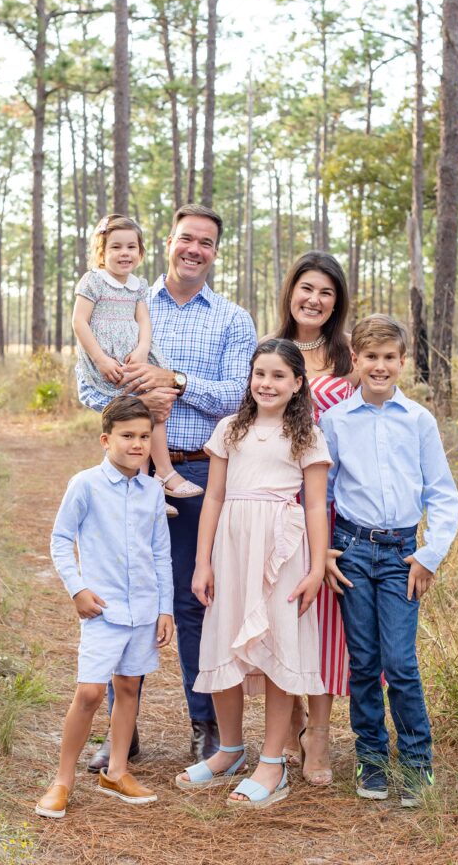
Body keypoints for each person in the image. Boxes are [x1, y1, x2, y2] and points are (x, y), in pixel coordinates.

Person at [87, 204, 257, 772]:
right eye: (186, 238)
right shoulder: (126, 300)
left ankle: (206, 727)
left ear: (215, 251)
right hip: (129, 471)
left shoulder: (233, 319)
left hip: (204, 474)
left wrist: (175, 382)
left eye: (205, 242)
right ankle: (120, 734)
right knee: (121, 597)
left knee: (192, 601)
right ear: (167, 242)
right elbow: (91, 385)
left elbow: (240, 396)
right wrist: (137, 401)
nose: (194, 249)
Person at [175, 339, 331, 808]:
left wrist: (318, 567)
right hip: (232, 544)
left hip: (282, 548)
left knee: (278, 643)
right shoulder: (229, 429)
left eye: (279, 375)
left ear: (298, 384)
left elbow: (317, 505)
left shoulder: (306, 435)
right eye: (260, 373)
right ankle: (229, 749)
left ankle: (272, 763)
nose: (267, 383)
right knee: (223, 639)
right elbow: (215, 498)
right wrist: (203, 562)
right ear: (250, 377)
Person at [321, 315, 458, 807]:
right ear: (354, 361)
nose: (380, 367)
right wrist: (324, 549)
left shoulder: (418, 420)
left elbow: (443, 494)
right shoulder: (335, 421)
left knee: (400, 663)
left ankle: (418, 763)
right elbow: (323, 491)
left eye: (389, 358)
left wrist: (429, 555)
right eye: (370, 358)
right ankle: (372, 758)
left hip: (404, 555)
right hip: (354, 552)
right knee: (363, 663)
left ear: (402, 362)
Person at [35, 396, 174, 819]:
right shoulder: (85, 485)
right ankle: (63, 780)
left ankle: (116, 771)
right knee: (92, 691)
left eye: (145, 437)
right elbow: (61, 539)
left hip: (143, 610)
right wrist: (77, 589)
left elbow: (161, 553)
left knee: (129, 687)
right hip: (103, 608)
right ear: (105, 439)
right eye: (128, 436)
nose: (137, 444)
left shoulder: (152, 490)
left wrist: (164, 608)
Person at [270, 251, 358, 785]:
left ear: (337, 301)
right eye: (306, 288)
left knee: (325, 619)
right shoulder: (273, 349)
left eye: (326, 292)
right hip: (280, 501)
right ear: (291, 291)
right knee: (283, 610)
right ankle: (292, 719)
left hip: (333, 504)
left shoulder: (350, 356)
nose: (315, 300)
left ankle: (320, 735)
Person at [72, 213, 204, 517]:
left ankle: (157, 477)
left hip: (134, 357)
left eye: (131, 247)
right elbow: (79, 322)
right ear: (102, 253)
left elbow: (144, 321)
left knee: (157, 404)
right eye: (116, 247)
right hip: (108, 360)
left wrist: (143, 350)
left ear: (140, 253)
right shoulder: (93, 281)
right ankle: (150, 480)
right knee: (135, 413)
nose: (124, 253)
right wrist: (101, 359)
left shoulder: (138, 286)